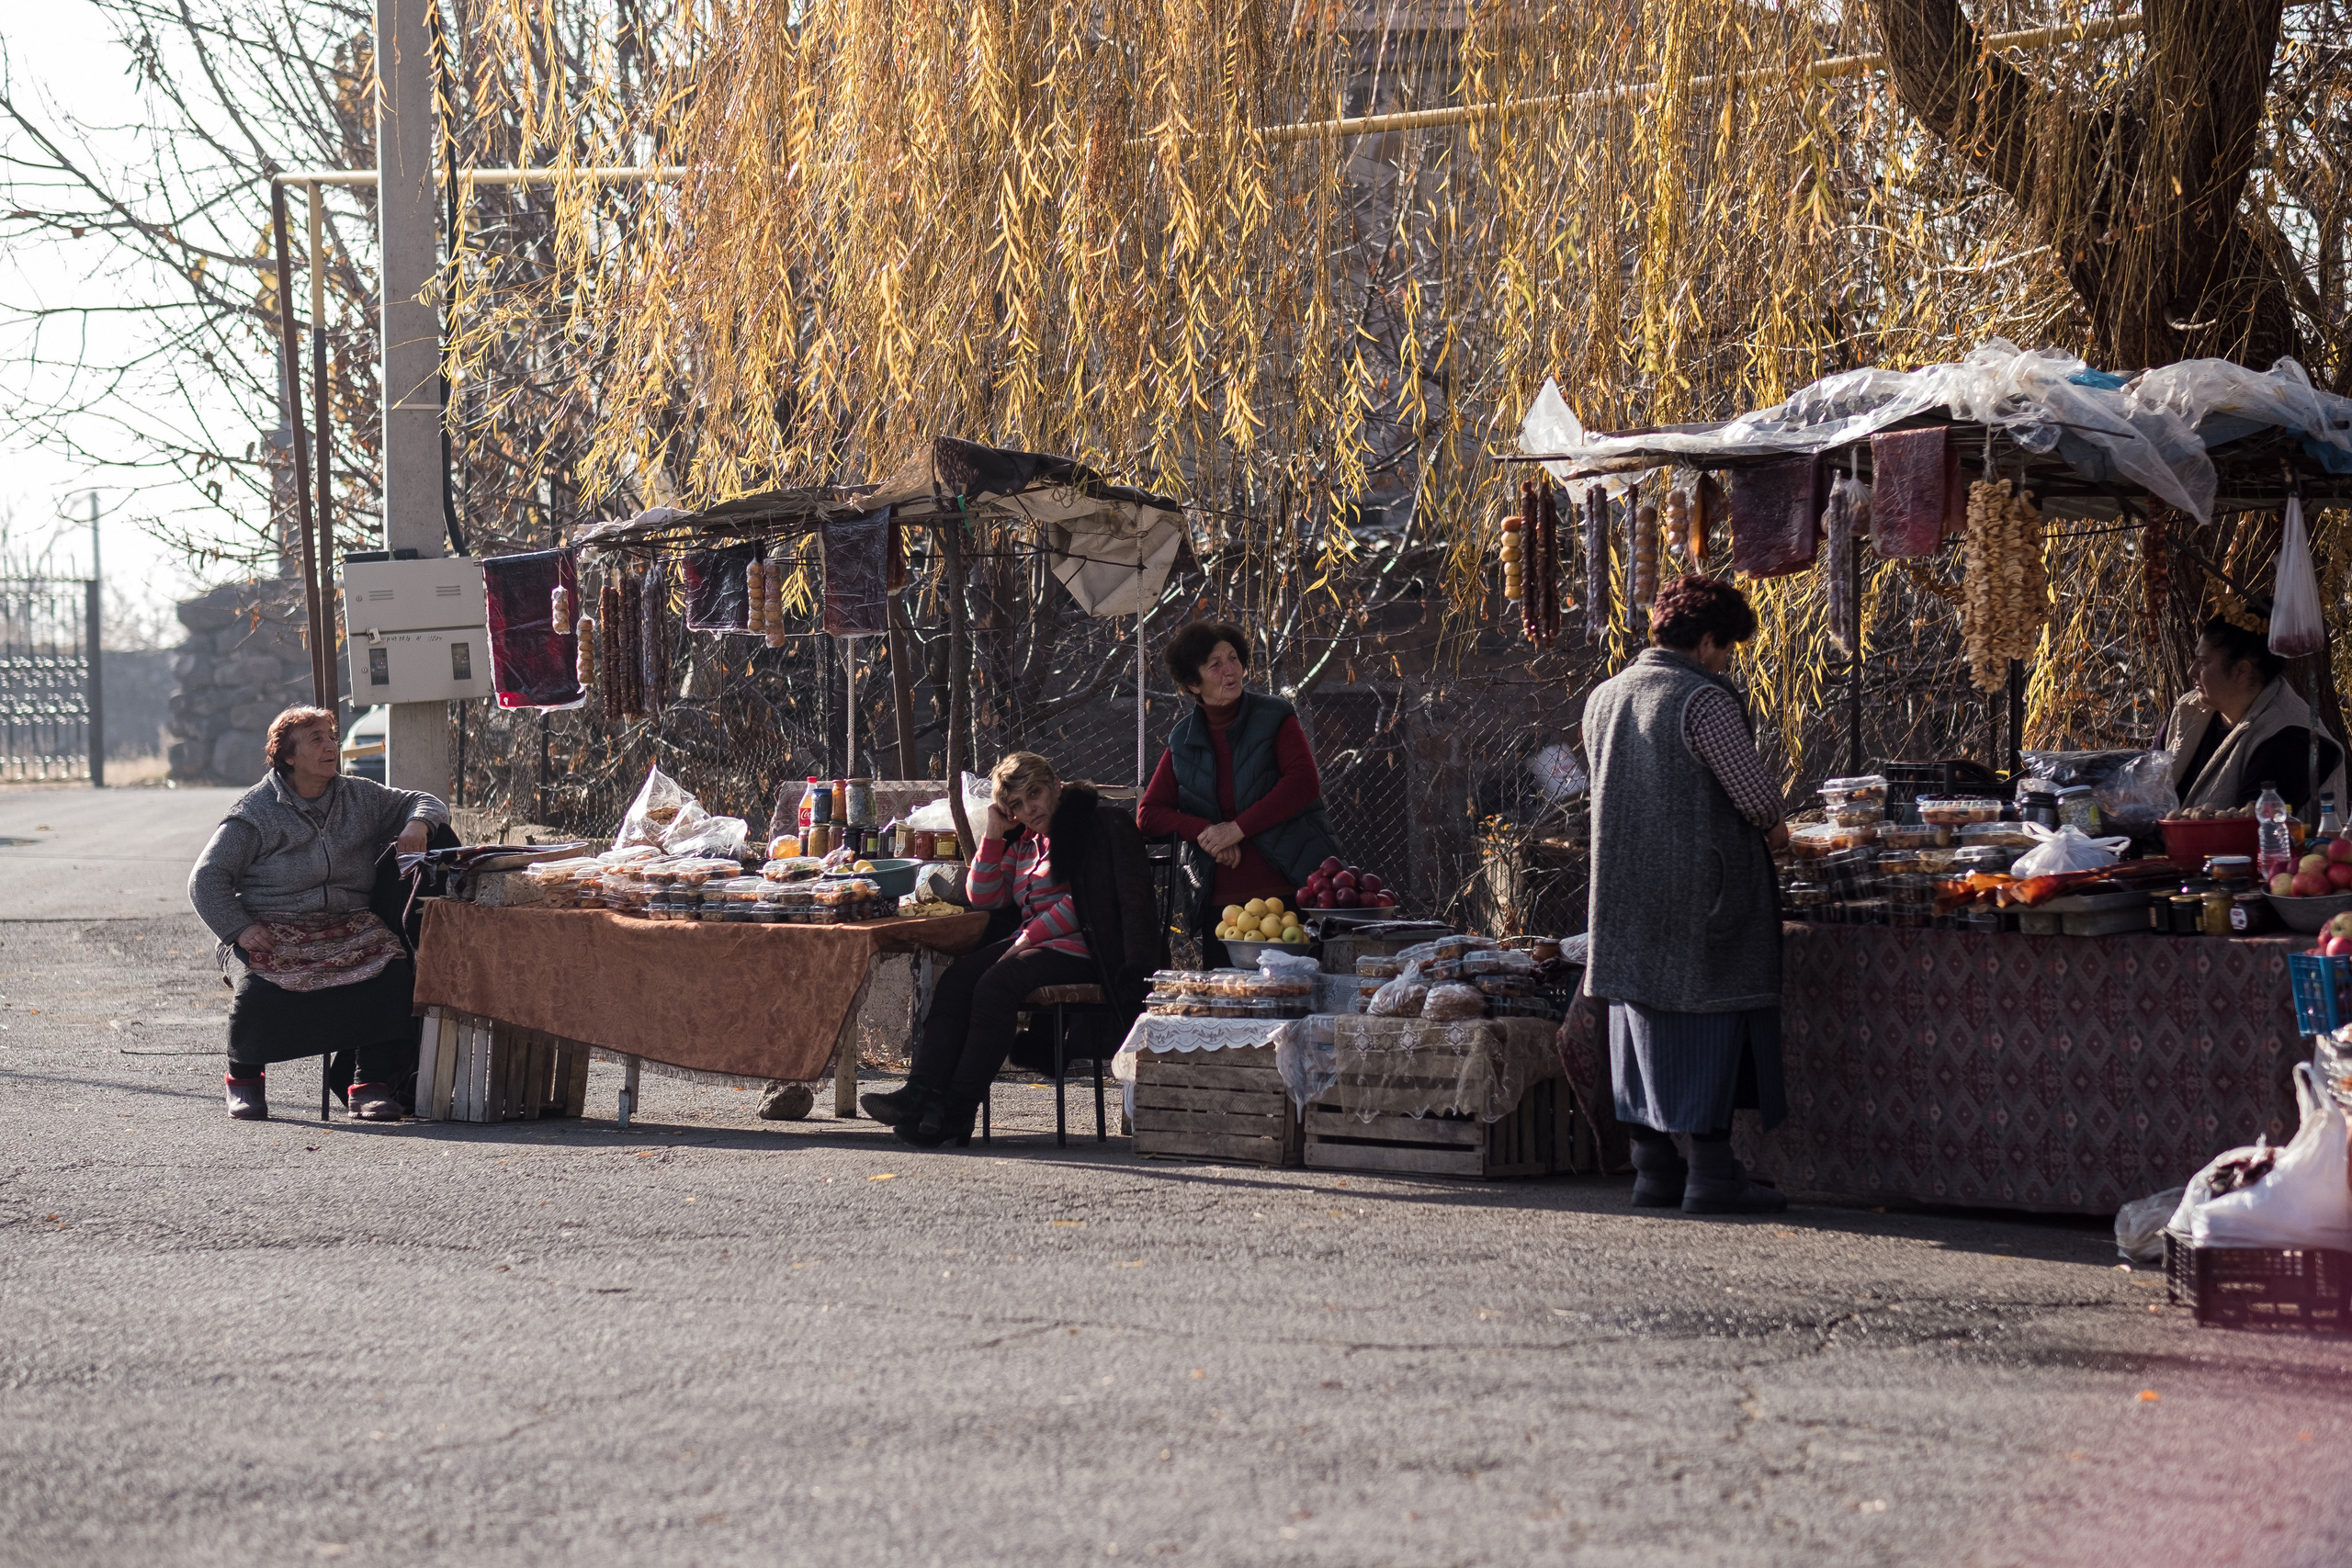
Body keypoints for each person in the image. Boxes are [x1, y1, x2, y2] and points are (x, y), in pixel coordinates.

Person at [1580, 575, 1791, 1215]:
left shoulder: (1604, 697)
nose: (1728, 661)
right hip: (1704, 900)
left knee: (1639, 1027)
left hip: (1624, 897)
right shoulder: (1702, 701)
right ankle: (1712, 1174)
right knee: (1708, 1028)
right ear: (1704, 642)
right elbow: (1754, 795)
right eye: (1727, 648)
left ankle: (1654, 1169)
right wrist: (1782, 832)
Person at [863, 752, 1163, 1147]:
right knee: (956, 980)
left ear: (1055, 785)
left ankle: (956, 1110)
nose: (1028, 809)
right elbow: (984, 897)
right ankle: (922, 1094)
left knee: (995, 984)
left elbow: (1083, 903)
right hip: (1032, 945)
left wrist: (1025, 939)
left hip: (1085, 950)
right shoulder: (1025, 844)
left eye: (1034, 794)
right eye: (1016, 804)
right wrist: (992, 833)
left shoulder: (1090, 828)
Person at [187, 706, 448, 1122]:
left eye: (331, 736)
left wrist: (418, 823)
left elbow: (424, 800)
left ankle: (370, 1085)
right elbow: (206, 879)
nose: (331, 746)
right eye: (316, 740)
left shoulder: (359, 796)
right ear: (288, 756)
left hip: (346, 921)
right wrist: (239, 928)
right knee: (260, 987)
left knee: (392, 969)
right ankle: (245, 1080)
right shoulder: (255, 813)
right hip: (268, 923)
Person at [1137, 620, 1340, 959]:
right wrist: (1207, 832)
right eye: (1214, 665)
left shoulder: (1274, 715)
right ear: (1193, 683)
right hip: (1222, 908)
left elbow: (1303, 782)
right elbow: (1148, 814)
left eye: (1233, 658)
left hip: (1291, 892)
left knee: (1298, 996)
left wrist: (1237, 830)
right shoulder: (1183, 739)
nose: (1230, 670)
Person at [2162, 615, 2347, 812]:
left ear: (2242, 670)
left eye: (2203, 662)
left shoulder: (2290, 737)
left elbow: (2250, 828)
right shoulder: (2187, 710)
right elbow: (2147, 784)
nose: (2191, 671)